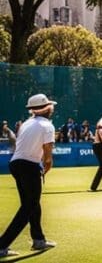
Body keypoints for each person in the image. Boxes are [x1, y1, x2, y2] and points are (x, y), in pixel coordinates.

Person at [0, 94, 58, 257]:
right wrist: (45, 168)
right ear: (45, 108)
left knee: (32, 203)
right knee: (28, 207)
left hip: (16, 164)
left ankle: (38, 239)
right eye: (50, 105)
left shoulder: (26, 123)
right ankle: (2, 245)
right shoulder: (47, 125)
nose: (52, 107)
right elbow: (47, 155)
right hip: (29, 166)